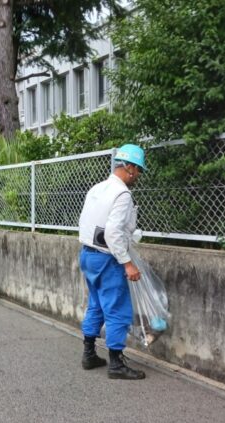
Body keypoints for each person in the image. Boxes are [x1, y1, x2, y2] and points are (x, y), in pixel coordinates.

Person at [77, 143, 147, 380]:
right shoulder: (122, 194)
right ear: (129, 167)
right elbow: (113, 232)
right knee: (118, 309)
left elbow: (88, 223)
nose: (138, 175)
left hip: (87, 254)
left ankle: (89, 354)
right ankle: (116, 364)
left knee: (96, 304)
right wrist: (127, 263)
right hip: (107, 259)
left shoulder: (97, 188)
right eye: (138, 171)